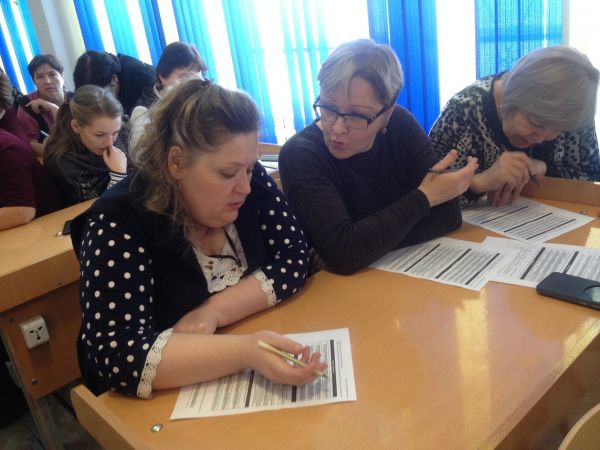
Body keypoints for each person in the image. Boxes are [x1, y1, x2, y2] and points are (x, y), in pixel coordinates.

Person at [69, 78, 324, 397]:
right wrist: (246, 352)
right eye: (227, 174)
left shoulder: (247, 176)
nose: (245, 187)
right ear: (176, 163)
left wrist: (213, 311)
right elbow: (119, 356)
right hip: (151, 402)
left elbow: (294, 259)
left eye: (249, 168)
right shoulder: (116, 222)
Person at [279, 39, 477, 275]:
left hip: (398, 274)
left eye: (356, 115)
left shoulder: (400, 124)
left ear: (387, 113)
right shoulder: (301, 155)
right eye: (328, 108)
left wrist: (363, 245)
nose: (337, 129)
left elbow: (448, 215)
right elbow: (344, 253)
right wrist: (425, 198)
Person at [429, 46, 600, 207]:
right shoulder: (464, 110)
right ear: (510, 96)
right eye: (536, 123)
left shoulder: (573, 113)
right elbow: (425, 194)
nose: (541, 139)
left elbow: (592, 178)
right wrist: (479, 182)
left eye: (557, 130)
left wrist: (543, 168)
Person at [0, 68, 63, 230]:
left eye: (52, 74)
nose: (47, 81)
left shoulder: (6, 147)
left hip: (44, 227)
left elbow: (22, 212)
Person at [44, 85, 127, 206]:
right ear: (76, 126)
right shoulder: (61, 161)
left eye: (115, 133)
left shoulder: (120, 135)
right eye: (99, 135)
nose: (110, 143)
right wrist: (118, 175)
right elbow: (92, 210)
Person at [129, 41, 207, 149]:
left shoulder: (203, 100)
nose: (191, 85)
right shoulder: (143, 112)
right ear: (163, 76)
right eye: (184, 77)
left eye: (197, 79)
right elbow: (140, 156)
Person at [15, 54, 70, 157]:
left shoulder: (77, 100)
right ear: (34, 81)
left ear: (62, 76)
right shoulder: (27, 105)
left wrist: (54, 109)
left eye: (52, 74)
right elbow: (29, 144)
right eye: (40, 77)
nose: (47, 81)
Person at [73, 50, 155, 116]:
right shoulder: (111, 71)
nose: (96, 103)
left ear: (114, 79)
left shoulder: (145, 83)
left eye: (100, 95)